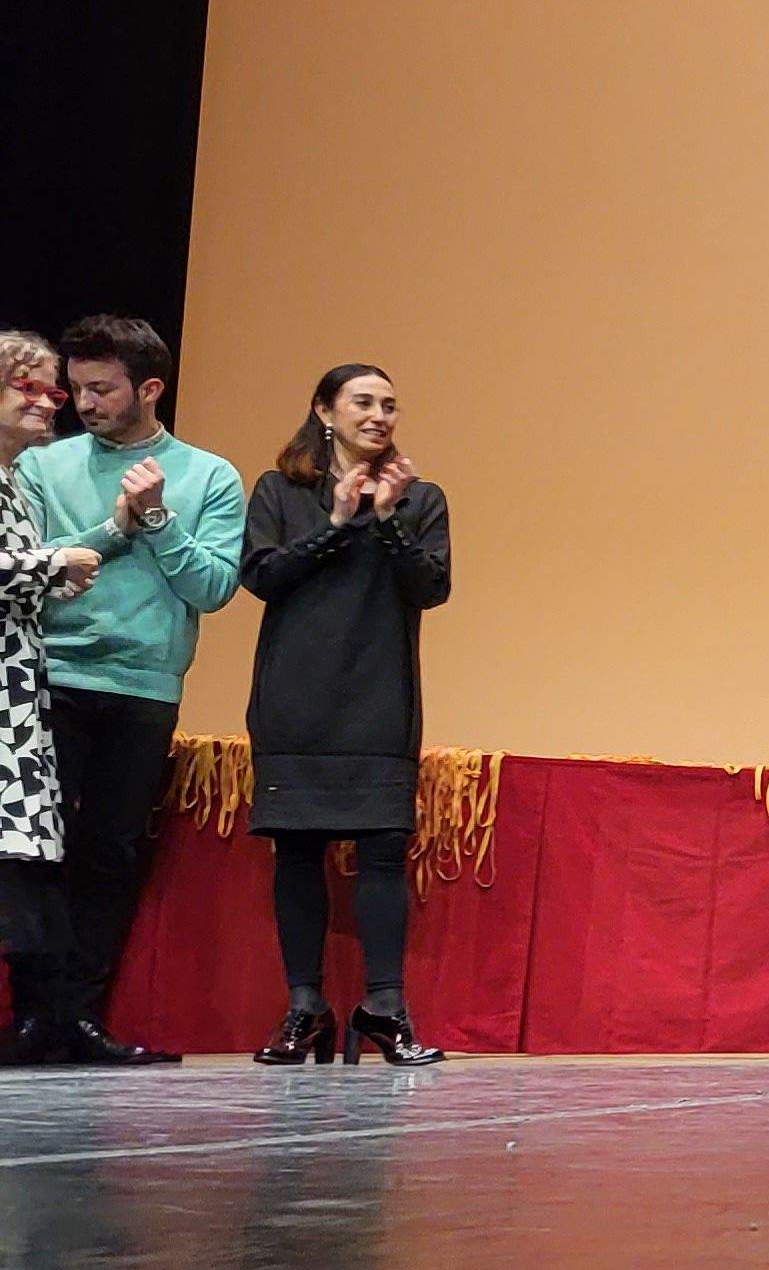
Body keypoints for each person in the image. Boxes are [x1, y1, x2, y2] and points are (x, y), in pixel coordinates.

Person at [10, 316, 238, 1064]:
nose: (84, 403)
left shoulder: (210, 476)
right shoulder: (43, 465)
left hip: (143, 686)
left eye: (102, 388)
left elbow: (211, 588)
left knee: (108, 852)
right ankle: (32, 1017)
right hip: (54, 676)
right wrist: (113, 530)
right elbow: (30, 571)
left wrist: (160, 520)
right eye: (76, 388)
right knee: (35, 854)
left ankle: (80, 1018)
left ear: (150, 388)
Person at [240, 363, 451, 1067]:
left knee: (384, 847)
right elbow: (263, 576)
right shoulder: (281, 491)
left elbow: (430, 588)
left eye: (390, 404)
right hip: (296, 699)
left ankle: (384, 1008)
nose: (380, 415)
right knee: (297, 849)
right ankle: (306, 1007)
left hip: (378, 698)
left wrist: (384, 521)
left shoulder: (419, 499)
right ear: (324, 412)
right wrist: (334, 522)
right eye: (363, 402)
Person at [0, 338, 105, 1031]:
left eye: (51, 393)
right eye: (26, 388)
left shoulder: (13, 480)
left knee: (22, 859)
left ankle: (52, 1022)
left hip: (15, 691)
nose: (44, 403)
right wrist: (51, 563)